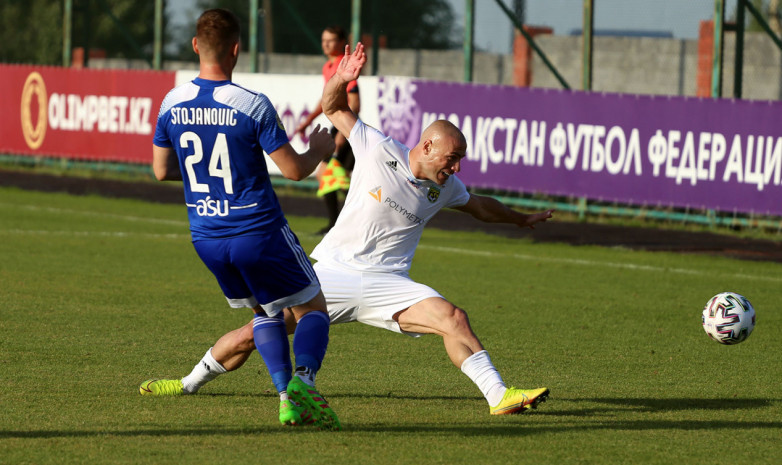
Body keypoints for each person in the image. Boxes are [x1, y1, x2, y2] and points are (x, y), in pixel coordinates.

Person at [142, 42, 554, 416]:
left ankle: (499, 396)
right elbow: (333, 106)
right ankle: (187, 383)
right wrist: (343, 76)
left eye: (460, 160)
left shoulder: (445, 187)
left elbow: (481, 207)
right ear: (427, 146)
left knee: (453, 318)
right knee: (255, 331)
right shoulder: (377, 147)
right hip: (333, 272)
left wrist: (521, 218)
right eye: (453, 157)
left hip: (389, 283)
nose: (457, 167)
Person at [143, 8, 341, 430]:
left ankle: (286, 396)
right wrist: (321, 149)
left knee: (265, 314)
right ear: (236, 50)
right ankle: (304, 380)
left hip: (207, 237)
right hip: (257, 230)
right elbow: (293, 170)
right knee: (313, 310)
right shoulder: (251, 104)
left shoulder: (171, 102)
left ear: (195, 46)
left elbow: (161, 170)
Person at [294, 26, 361, 235]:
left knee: (333, 175)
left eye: (331, 40)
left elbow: (355, 102)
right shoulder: (328, 66)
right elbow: (327, 100)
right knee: (334, 176)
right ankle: (342, 223)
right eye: (324, 40)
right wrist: (307, 121)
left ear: (342, 42)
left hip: (347, 126)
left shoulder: (345, 64)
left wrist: (343, 132)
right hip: (339, 126)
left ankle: (353, 220)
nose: (326, 44)